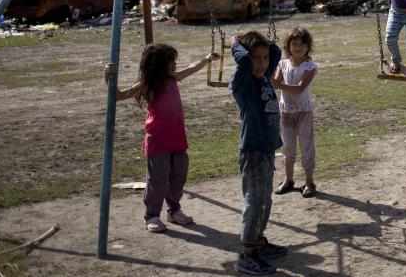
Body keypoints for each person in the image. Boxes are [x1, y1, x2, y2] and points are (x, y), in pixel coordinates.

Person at [104, 44, 219, 233]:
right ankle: (152, 215)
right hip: (158, 141)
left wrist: (207, 58)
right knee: (157, 180)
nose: (175, 64)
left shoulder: (173, 78)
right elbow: (118, 96)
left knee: (178, 177)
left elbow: (192, 67)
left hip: (177, 139)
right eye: (171, 61)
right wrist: (108, 77)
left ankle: (174, 210)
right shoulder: (147, 84)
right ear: (158, 65)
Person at [229, 30, 286, 275]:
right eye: (256, 58)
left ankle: (258, 241)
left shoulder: (262, 76)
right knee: (254, 200)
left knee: (265, 199)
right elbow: (242, 60)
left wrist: (261, 46)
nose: (262, 63)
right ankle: (247, 254)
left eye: (264, 58)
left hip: (266, 149)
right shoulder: (243, 82)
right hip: (252, 151)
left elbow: (275, 51)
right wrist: (235, 43)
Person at [271, 28, 319, 198]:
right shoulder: (282, 64)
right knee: (287, 148)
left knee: (306, 147)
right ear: (288, 46)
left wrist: (279, 85)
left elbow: (299, 88)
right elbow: (274, 80)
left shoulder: (310, 67)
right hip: (285, 112)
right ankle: (288, 179)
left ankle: (309, 182)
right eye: (294, 44)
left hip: (304, 112)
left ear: (308, 47)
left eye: (301, 44)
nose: (298, 47)